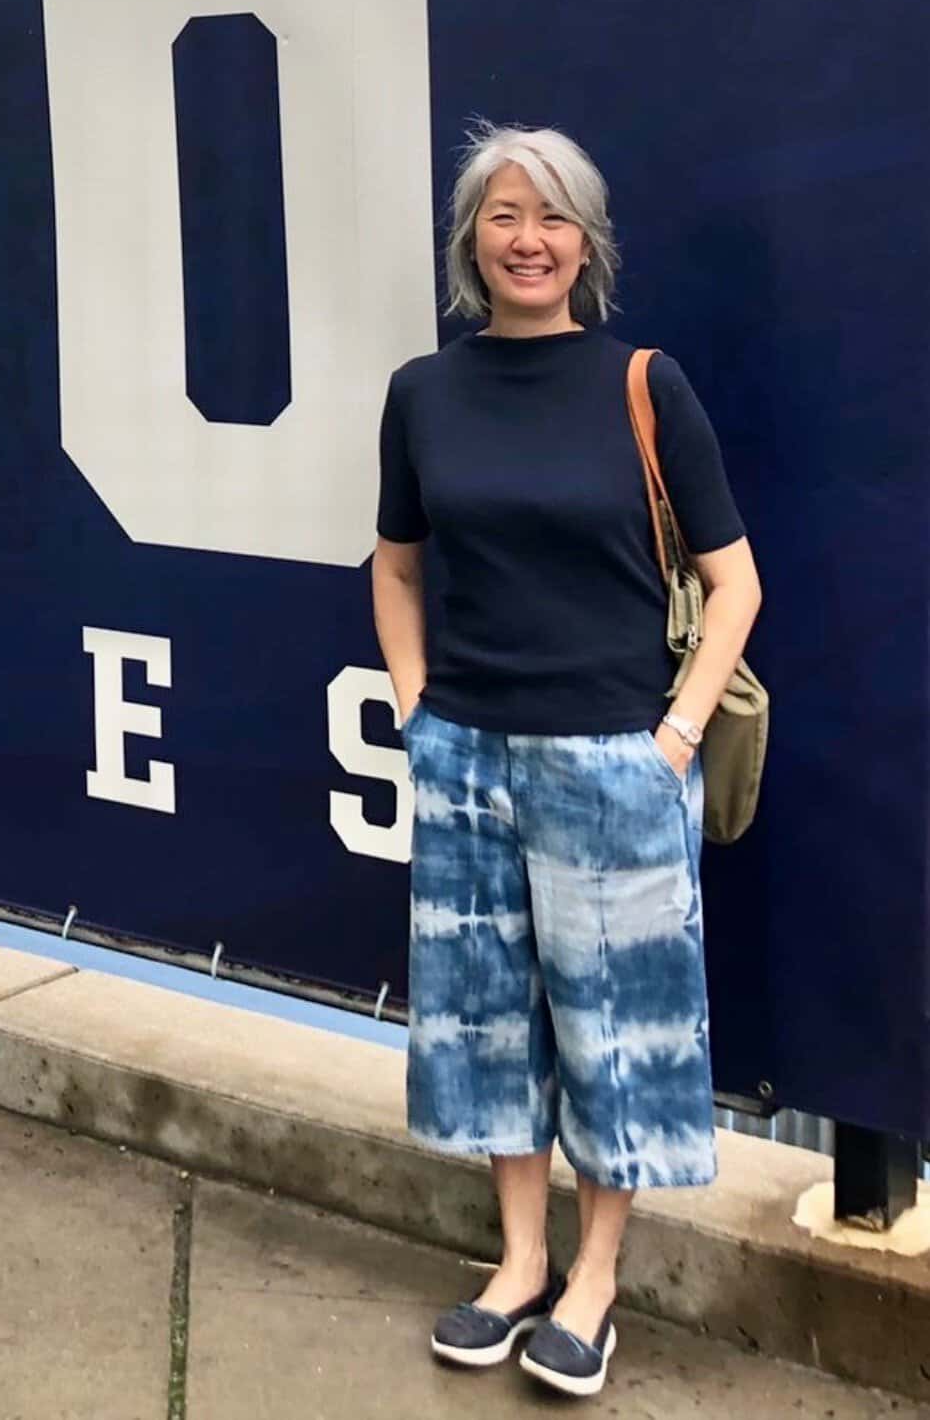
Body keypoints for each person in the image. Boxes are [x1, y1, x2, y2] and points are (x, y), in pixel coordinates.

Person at [371, 124, 761, 1400]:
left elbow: (733, 581)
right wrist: (419, 703)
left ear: (586, 244)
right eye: (502, 216)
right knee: (487, 1024)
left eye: (551, 218)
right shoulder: (423, 392)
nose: (526, 239)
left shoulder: (645, 382)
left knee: (617, 1037)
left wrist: (673, 742)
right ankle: (518, 1263)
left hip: (616, 762)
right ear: (469, 243)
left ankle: (595, 1283)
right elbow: (396, 562)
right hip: (467, 756)